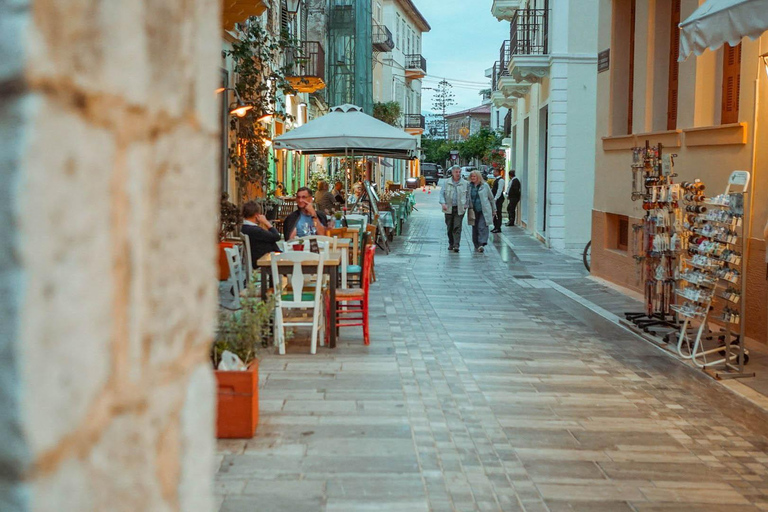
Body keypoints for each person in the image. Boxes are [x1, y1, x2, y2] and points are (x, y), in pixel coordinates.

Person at [438, 165, 470, 253]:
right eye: (456, 172)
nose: (458, 174)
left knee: (457, 226)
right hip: (448, 208)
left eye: (459, 172)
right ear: (452, 173)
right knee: (449, 227)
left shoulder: (465, 183)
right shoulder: (446, 182)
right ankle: (451, 243)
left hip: (459, 208)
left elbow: (468, 196)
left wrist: (466, 205)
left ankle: (456, 245)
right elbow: (442, 194)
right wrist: (443, 203)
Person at [240, 201, 281, 267]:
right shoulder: (255, 230)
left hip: (260, 258)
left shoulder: (245, 228)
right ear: (257, 215)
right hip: (264, 263)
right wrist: (266, 222)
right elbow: (276, 236)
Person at [467, 170, 496, 253]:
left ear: (478, 177)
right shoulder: (469, 186)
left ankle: (481, 243)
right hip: (473, 210)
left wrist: (494, 209)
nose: (472, 178)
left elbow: (491, 198)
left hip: (484, 210)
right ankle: (476, 243)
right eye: (471, 176)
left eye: (474, 176)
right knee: (474, 227)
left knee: (482, 226)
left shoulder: (485, 186)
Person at [490, 168, 505, 233]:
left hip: (498, 199)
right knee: (495, 212)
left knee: (498, 213)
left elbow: (499, 190)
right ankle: (495, 226)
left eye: (494, 172)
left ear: (497, 172)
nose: (493, 173)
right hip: (495, 199)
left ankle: (498, 227)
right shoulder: (496, 180)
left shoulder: (501, 180)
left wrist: (496, 198)